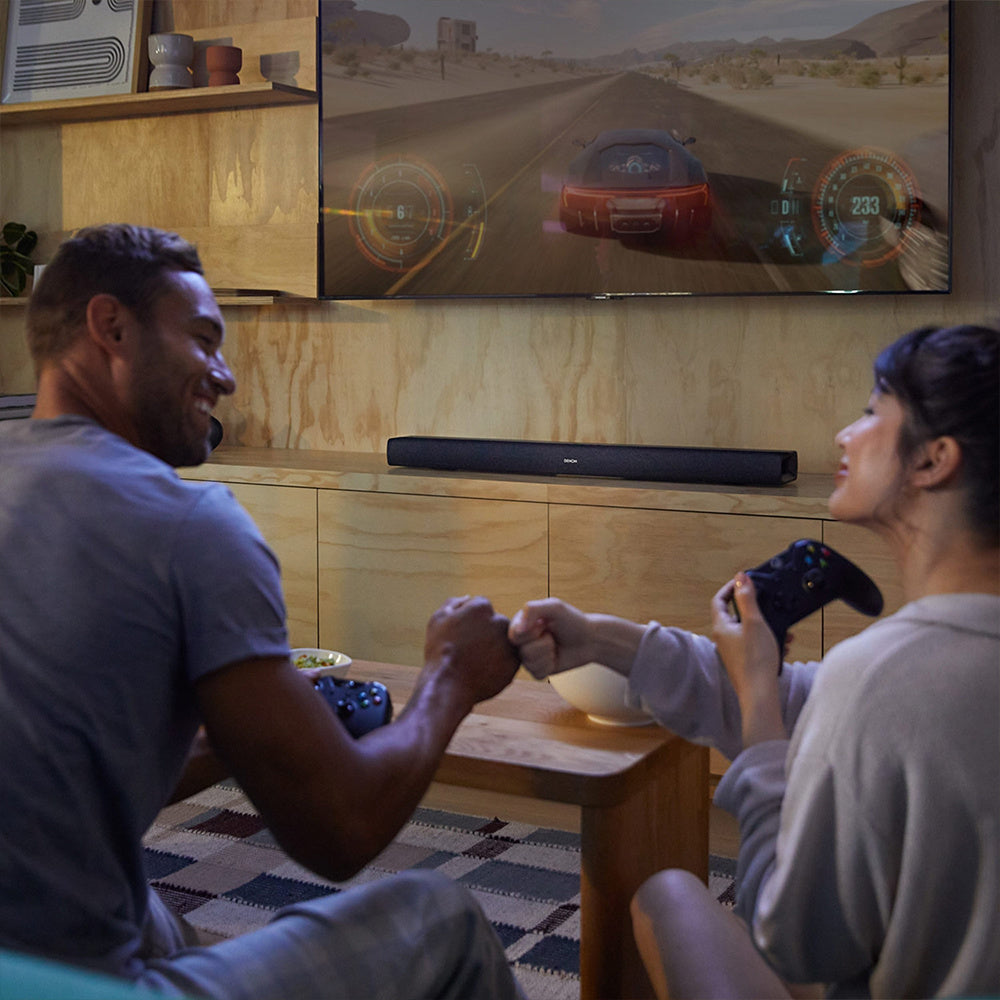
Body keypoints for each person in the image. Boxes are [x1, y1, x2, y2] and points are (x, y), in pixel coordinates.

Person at [0, 224, 525, 1000]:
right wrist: (450, 676)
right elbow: (341, 830)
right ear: (111, 327)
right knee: (439, 917)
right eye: (203, 340)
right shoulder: (191, 525)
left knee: (156, 918)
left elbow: (54, 770)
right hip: (59, 984)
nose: (226, 376)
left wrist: (224, 739)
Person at [509, 324, 1000, 998]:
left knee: (667, 895)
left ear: (933, 459)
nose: (844, 436)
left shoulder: (879, 675)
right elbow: (816, 705)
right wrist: (602, 640)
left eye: (871, 411)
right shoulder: (916, 669)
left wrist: (760, 711)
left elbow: (794, 940)